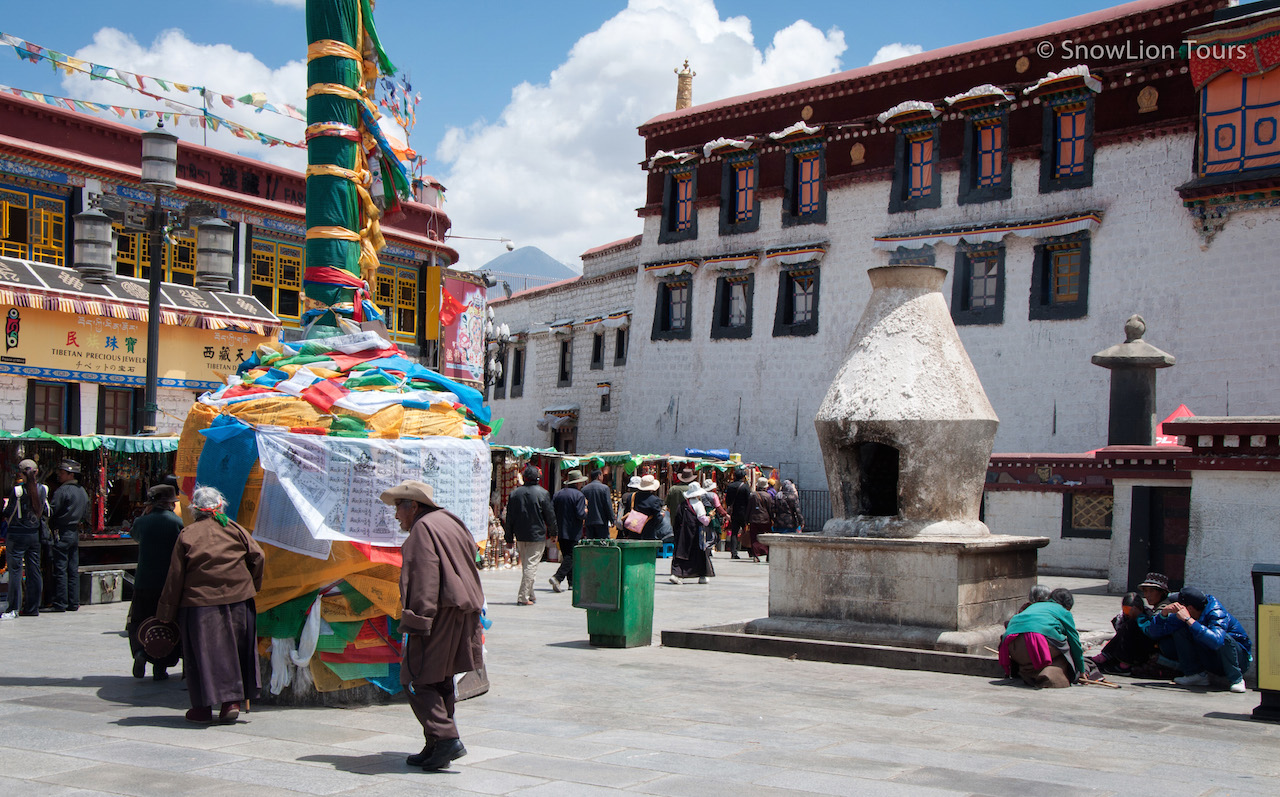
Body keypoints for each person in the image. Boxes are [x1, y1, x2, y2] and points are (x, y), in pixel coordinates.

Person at [381, 479, 484, 772]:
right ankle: (435, 744)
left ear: (413, 506)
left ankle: (447, 738)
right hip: (463, 611)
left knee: (416, 677)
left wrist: (418, 619)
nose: (396, 516)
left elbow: (424, 577)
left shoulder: (422, 530)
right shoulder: (450, 521)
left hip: (438, 613)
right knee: (440, 677)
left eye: (398, 509)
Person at [157, 486, 264, 724]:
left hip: (199, 605)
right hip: (238, 600)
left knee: (202, 654)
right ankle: (231, 703)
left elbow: (175, 576)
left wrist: (165, 612)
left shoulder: (188, 533)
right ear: (220, 506)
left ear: (194, 509)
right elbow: (258, 557)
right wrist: (251, 585)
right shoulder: (235, 529)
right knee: (235, 652)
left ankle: (203, 708)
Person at [1145, 586, 1252, 693]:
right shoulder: (1184, 615)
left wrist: (1189, 620)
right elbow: (1154, 633)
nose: (1176, 607)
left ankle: (1237, 679)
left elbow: (1217, 641)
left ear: (1189, 608)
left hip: (1239, 661)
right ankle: (1195, 675)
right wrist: (1163, 614)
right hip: (1211, 659)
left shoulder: (1216, 613)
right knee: (1178, 631)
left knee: (1224, 637)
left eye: (1179, 605)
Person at [127, 484, 184, 680]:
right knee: (167, 622)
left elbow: (135, 536)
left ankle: (140, 652)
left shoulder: (142, 522)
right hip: (168, 584)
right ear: (170, 503)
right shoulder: (177, 522)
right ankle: (160, 667)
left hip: (143, 580)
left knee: (139, 620)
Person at [999, 589, 1085, 688]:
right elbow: (1074, 641)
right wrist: (1081, 670)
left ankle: (1031, 671)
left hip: (1012, 647)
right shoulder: (1063, 611)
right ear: (1068, 607)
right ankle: (1049, 676)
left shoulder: (1033, 606)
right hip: (1036, 643)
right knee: (1066, 650)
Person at [503, 465, 555, 606]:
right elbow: (550, 516)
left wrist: (509, 538)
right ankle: (523, 597)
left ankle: (531, 594)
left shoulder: (514, 494)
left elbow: (509, 519)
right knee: (531, 566)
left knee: (527, 565)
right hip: (536, 536)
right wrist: (553, 533)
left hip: (520, 536)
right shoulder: (543, 493)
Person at [2, 459, 47, 618]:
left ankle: (13, 607)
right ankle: (33, 607)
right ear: (36, 472)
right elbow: (47, 511)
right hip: (34, 535)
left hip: (17, 535)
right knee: (34, 570)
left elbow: (8, 512)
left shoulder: (17, 491)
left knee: (15, 571)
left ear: (21, 474)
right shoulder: (43, 490)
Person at [47, 459, 89, 613]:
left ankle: (61, 602)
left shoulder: (62, 491)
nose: (60, 476)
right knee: (72, 568)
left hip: (63, 532)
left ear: (71, 474)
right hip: (74, 532)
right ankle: (73, 602)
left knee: (60, 568)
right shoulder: (82, 491)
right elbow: (86, 513)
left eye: (63, 473)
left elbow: (52, 511)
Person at [548, 469, 588, 593]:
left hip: (561, 530)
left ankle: (572, 583)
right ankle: (558, 577)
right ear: (577, 483)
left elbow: (552, 512)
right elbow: (580, 514)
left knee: (567, 555)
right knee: (572, 556)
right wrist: (586, 511)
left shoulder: (558, 494)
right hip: (573, 531)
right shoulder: (579, 495)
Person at [669, 482, 714, 585]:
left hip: (682, 534)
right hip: (695, 533)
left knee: (681, 553)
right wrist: (709, 517)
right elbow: (703, 520)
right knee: (700, 553)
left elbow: (677, 520)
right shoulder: (698, 504)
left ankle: (675, 574)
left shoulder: (682, 504)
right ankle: (702, 575)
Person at [742, 477, 774, 563]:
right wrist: (772, 518)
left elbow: (749, 508)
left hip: (754, 519)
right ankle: (767, 554)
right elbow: (770, 509)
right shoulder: (768, 496)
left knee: (754, 538)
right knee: (767, 537)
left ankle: (756, 555)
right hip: (765, 520)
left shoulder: (752, 495)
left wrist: (746, 520)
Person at [723, 469, 751, 559]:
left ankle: (734, 552)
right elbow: (749, 500)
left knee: (734, 532)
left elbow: (727, 501)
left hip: (734, 512)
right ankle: (750, 551)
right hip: (744, 512)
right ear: (743, 477)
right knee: (746, 531)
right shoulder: (745, 487)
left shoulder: (730, 486)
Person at [581, 468, 616, 540]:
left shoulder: (584, 489)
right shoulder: (604, 488)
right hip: (601, 521)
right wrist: (612, 519)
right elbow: (608, 505)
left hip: (589, 522)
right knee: (602, 544)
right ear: (599, 476)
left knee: (591, 544)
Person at [631, 474, 666, 540]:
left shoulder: (633, 496)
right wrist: (662, 516)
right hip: (647, 533)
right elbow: (657, 519)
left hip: (633, 530)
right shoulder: (654, 500)